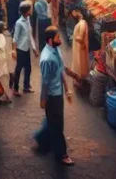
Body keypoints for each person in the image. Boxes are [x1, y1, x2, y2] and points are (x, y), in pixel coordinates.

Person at [36, 26, 73, 166]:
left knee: (54, 122)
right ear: (50, 40)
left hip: (59, 94)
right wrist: (43, 99)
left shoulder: (56, 50)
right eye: (58, 37)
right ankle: (61, 154)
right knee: (57, 125)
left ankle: (42, 140)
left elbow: (61, 69)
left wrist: (68, 89)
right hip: (52, 97)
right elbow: (45, 82)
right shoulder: (46, 58)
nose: (60, 39)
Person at [12, 3, 37, 96]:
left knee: (28, 68)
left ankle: (26, 86)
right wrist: (14, 50)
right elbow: (15, 38)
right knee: (18, 69)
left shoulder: (28, 19)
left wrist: (34, 48)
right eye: (30, 10)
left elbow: (30, 35)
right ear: (26, 12)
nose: (31, 11)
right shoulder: (19, 23)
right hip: (21, 49)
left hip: (26, 49)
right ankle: (15, 89)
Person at [70, 8, 89, 85]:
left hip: (80, 48)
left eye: (73, 12)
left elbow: (81, 38)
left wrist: (74, 37)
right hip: (79, 47)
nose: (72, 14)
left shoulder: (82, 23)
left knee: (80, 64)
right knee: (79, 63)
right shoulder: (82, 22)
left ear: (77, 11)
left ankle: (80, 82)